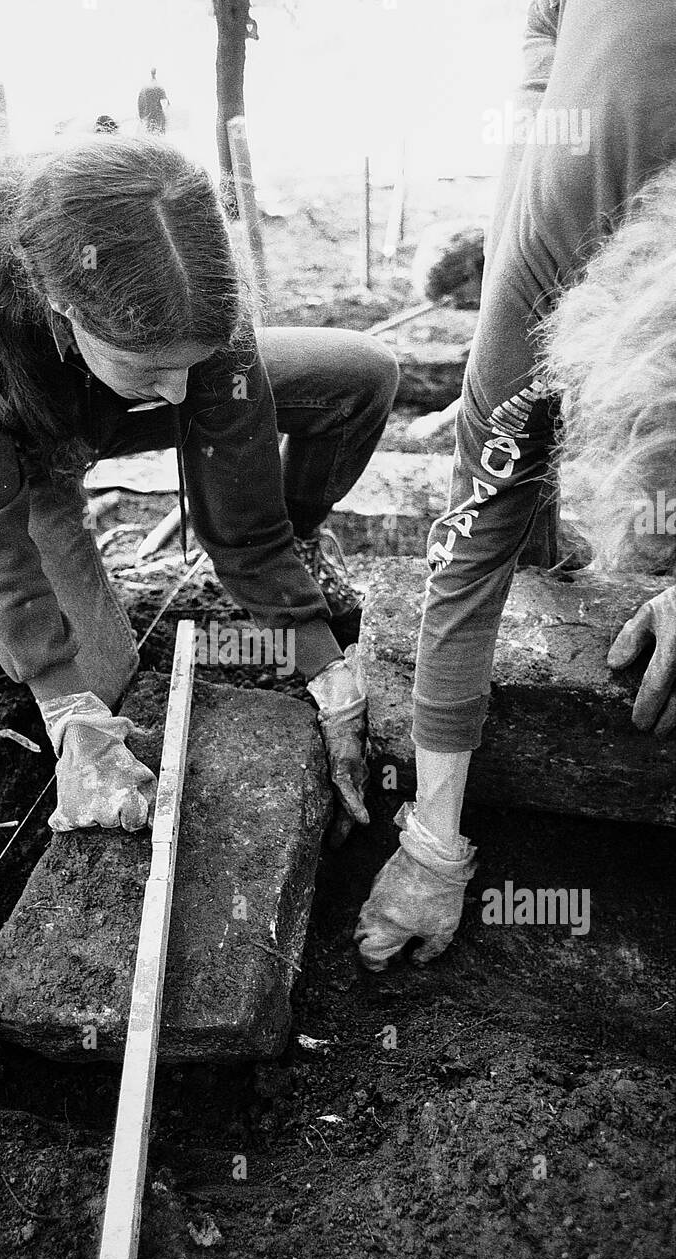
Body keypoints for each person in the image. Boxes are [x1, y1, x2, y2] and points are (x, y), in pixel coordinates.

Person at [0, 135, 399, 835]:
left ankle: (305, 549)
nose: (180, 392)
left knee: (360, 371)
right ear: (63, 308)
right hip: (28, 444)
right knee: (100, 687)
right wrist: (64, 704)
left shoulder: (190, 280)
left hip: (116, 402)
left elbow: (239, 504)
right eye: (154, 369)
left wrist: (324, 669)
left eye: (192, 364)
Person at [355, 0, 676, 971]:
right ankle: (553, 516)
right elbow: (468, 530)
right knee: (509, 450)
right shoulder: (560, 227)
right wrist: (431, 839)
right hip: (575, 31)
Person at [137, 68, 168, 134]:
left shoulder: (145, 88)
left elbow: (140, 103)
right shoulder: (158, 87)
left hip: (149, 113)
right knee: (160, 131)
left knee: (150, 131)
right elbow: (165, 102)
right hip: (157, 113)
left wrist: (141, 116)